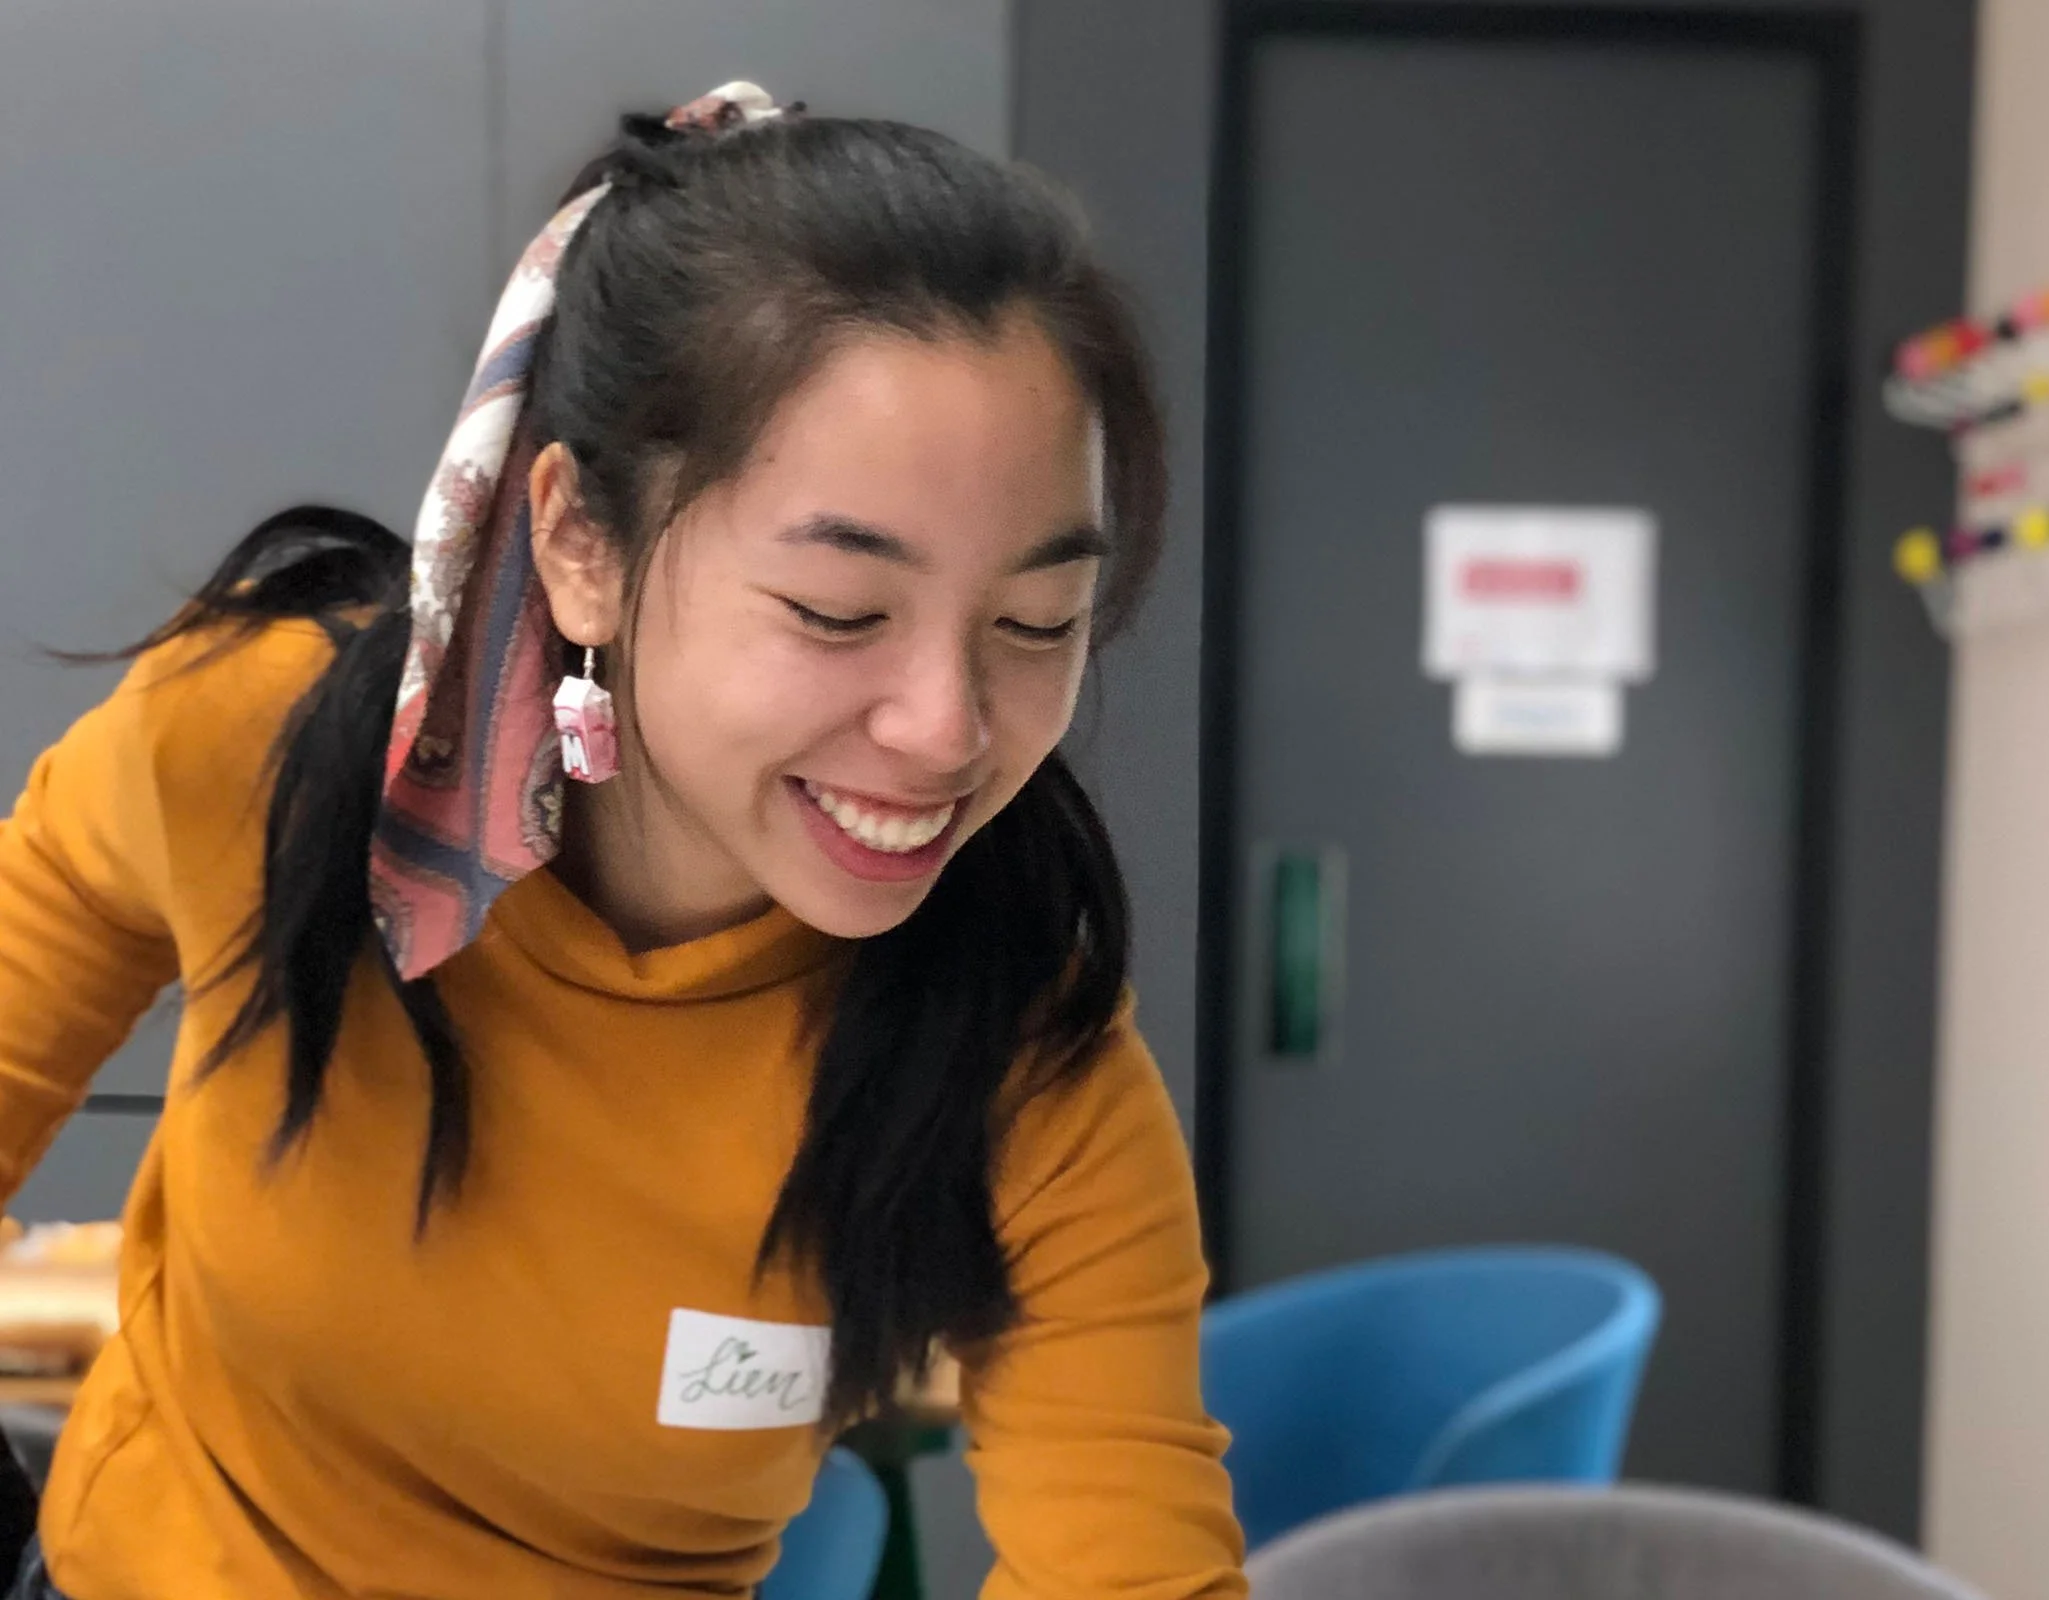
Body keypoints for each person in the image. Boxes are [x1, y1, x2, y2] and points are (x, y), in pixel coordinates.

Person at [0, 83, 1243, 1599]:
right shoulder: (258, 754)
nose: (948, 727)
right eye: (838, 612)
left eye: (1036, 623)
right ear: (582, 543)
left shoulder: (1023, 1057)